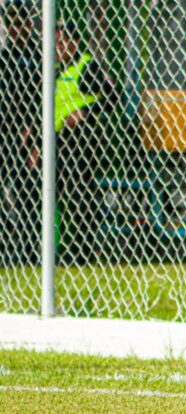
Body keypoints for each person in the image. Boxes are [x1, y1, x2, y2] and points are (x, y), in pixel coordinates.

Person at [54, 21, 113, 264]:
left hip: (82, 138)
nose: (57, 48)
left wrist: (85, 113)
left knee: (79, 192)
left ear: (73, 42)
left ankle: (83, 249)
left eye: (60, 42)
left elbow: (111, 94)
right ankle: (58, 246)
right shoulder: (57, 70)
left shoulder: (86, 66)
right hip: (58, 140)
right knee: (55, 192)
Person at [0, 1, 41, 264]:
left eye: (19, 23)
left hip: (25, 134)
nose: (14, 29)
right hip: (5, 132)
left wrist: (34, 132)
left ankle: (29, 250)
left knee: (27, 193)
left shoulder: (37, 58)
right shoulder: (4, 57)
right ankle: (5, 246)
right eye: (10, 23)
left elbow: (42, 98)